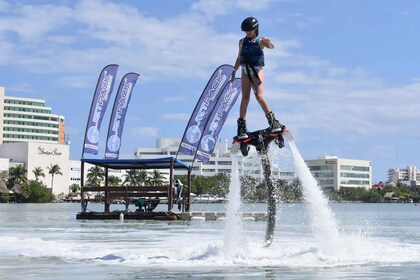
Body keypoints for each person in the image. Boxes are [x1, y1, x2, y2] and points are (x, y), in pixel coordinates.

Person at [231, 17, 285, 140]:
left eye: (250, 30)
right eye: (246, 31)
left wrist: (269, 42)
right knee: (245, 97)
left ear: (255, 29)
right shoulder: (241, 42)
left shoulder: (260, 41)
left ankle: (273, 122)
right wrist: (234, 71)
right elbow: (239, 58)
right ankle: (241, 126)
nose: (248, 32)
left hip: (257, 71)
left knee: (259, 96)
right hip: (245, 71)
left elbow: (271, 47)